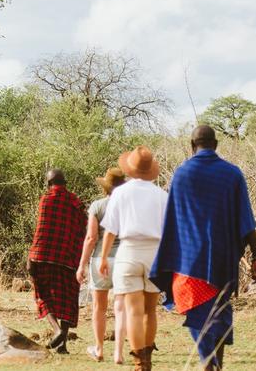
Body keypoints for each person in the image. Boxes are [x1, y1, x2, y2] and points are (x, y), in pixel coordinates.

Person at [150, 126, 256, 371]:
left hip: (189, 259)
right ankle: (213, 364)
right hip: (223, 259)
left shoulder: (182, 174)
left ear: (192, 145)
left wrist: (168, 255)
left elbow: (172, 220)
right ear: (216, 144)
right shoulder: (232, 174)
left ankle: (208, 363)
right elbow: (246, 219)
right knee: (218, 311)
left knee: (196, 309)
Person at [98, 146, 169, 371]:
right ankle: (147, 361)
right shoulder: (162, 195)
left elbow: (110, 230)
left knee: (134, 312)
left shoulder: (120, 193)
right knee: (150, 311)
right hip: (155, 253)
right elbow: (170, 231)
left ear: (130, 169)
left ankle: (139, 363)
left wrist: (103, 257)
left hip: (129, 251)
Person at [27, 168, 87, 354]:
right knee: (68, 299)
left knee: (43, 294)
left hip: (45, 255)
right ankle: (62, 345)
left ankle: (57, 330)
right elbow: (82, 230)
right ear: (65, 183)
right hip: (69, 257)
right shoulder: (76, 203)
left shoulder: (46, 200)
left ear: (48, 183)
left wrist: (31, 256)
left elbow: (41, 230)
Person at [76, 167, 129, 363]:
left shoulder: (97, 206)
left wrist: (82, 264)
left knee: (99, 307)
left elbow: (91, 238)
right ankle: (119, 352)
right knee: (121, 307)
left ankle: (99, 349)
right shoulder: (128, 206)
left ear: (105, 187)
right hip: (124, 259)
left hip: (101, 259)